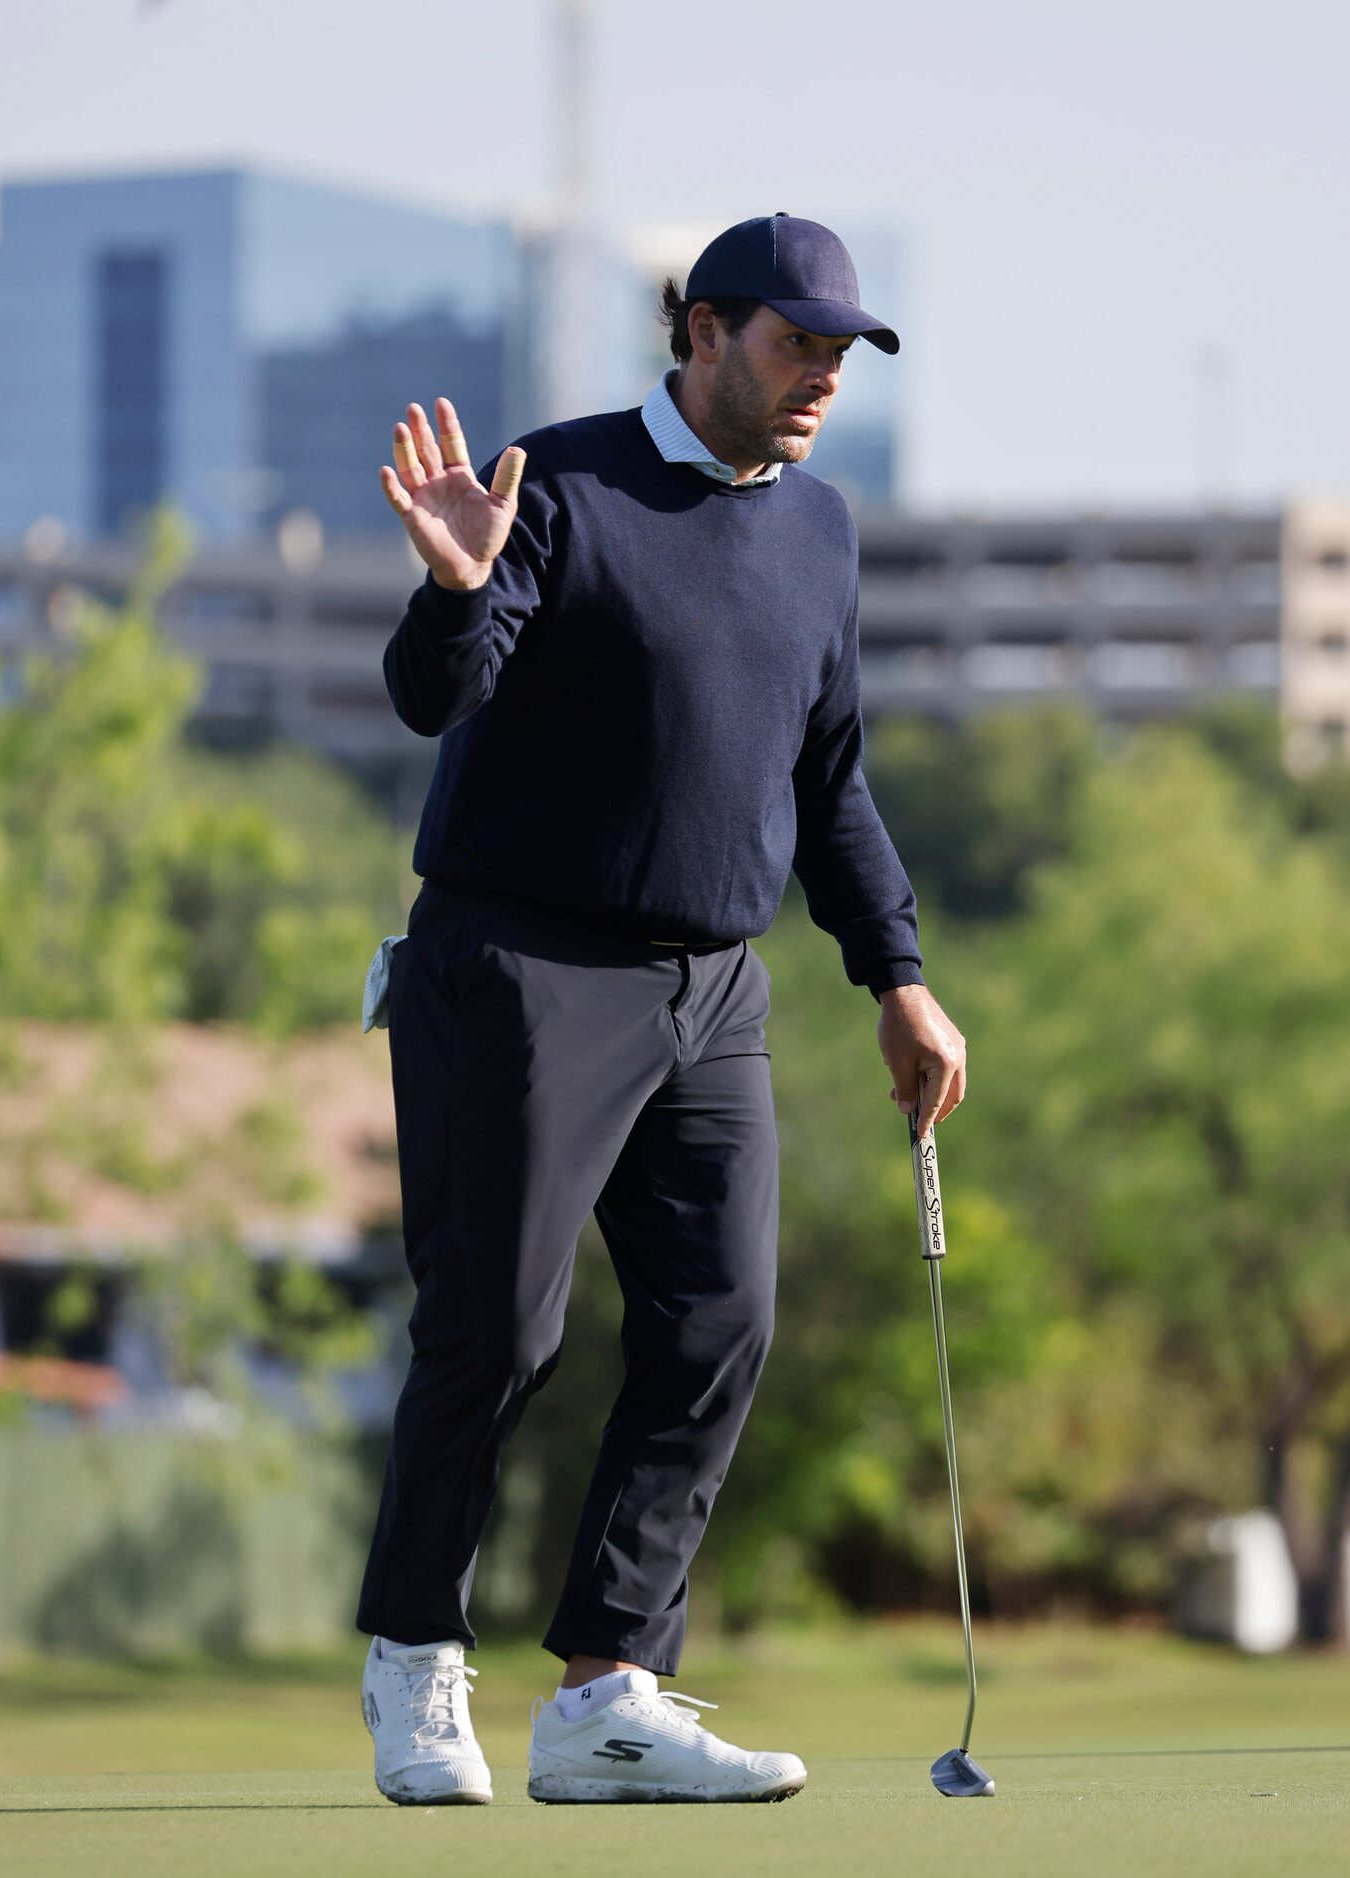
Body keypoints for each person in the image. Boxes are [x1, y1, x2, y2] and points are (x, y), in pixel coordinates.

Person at [356, 213, 967, 1807]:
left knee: (717, 1322)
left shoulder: (822, 530)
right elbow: (444, 688)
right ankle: (416, 1662)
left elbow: (826, 783)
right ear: (698, 332)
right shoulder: (548, 482)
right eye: (793, 343)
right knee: (497, 1328)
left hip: (714, 987)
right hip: (520, 969)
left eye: (841, 353)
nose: (820, 375)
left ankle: (605, 1693)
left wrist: (896, 975)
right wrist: (450, 588)